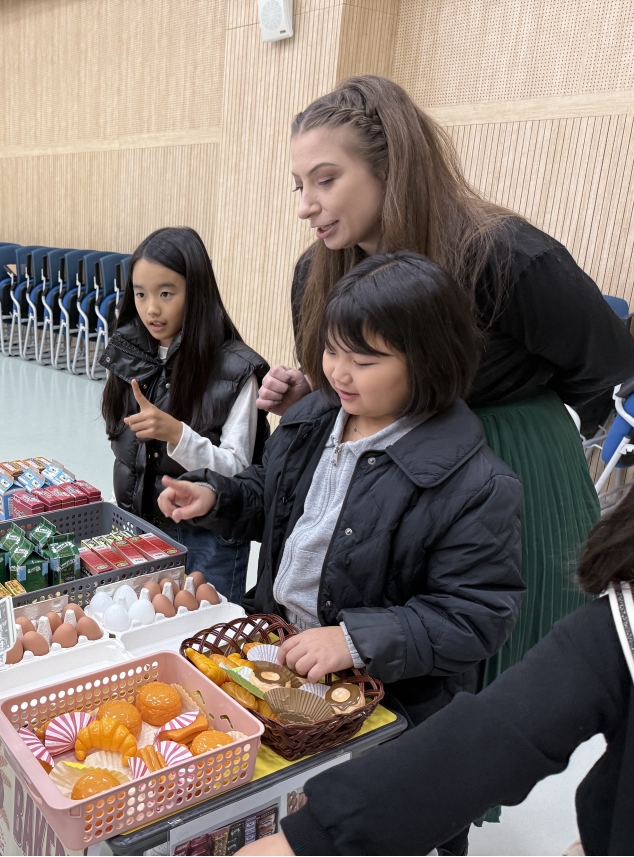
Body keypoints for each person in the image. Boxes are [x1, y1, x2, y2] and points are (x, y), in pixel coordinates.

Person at [257, 75, 634, 692]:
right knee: (375, 677)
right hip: (379, 488)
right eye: (299, 186)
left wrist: (511, 409)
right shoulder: (317, 271)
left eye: (326, 180)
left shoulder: (505, 255)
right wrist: (322, 406)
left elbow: (607, 363)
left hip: (510, 463)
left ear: (390, 168)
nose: (306, 204)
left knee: (493, 686)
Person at [161, 252, 524, 855]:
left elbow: (475, 615)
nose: (340, 372)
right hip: (281, 660)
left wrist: (352, 640)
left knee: (363, 826)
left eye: (366, 359)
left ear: (429, 361)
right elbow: (272, 497)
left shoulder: (475, 485)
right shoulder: (314, 419)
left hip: (392, 708)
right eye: (332, 352)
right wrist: (217, 496)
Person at [239, 484, 634, 857]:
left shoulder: (481, 485)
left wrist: (321, 833)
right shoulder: (608, 630)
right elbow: (498, 733)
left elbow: (493, 736)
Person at [100, 226, 270, 604]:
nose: (151, 309)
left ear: (197, 292)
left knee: (205, 639)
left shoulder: (235, 368)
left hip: (209, 533)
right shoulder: (130, 352)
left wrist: (177, 434)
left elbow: (239, 470)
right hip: (143, 525)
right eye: (140, 294)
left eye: (166, 293)